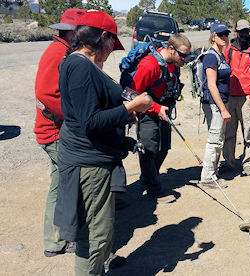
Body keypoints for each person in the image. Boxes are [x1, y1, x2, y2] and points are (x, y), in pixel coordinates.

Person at [54, 10, 152, 275]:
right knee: (96, 235)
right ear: (103, 38)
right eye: (112, 44)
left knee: (98, 232)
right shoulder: (80, 66)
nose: (112, 51)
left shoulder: (79, 64)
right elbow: (90, 122)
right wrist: (133, 105)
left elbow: (91, 111)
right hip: (89, 163)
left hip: (92, 158)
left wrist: (123, 112)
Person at [33, 8, 86, 257]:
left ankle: (55, 240)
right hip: (54, 132)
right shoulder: (57, 53)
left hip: (57, 129)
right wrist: (75, 116)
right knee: (64, 185)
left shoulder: (64, 51)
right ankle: (58, 240)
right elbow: (46, 94)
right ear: (73, 32)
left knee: (60, 184)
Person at [129, 33, 191, 197]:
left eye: (187, 55)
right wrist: (155, 108)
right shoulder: (150, 65)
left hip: (165, 112)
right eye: (182, 55)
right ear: (171, 49)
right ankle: (153, 187)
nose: (185, 59)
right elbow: (131, 94)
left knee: (163, 149)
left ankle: (148, 178)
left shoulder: (173, 63)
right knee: (149, 151)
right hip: (148, 112)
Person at [222, 19, 250, 176]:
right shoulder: (229, 50)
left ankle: (248, 163)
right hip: (230, 97)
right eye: (241, 31)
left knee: (248, 133)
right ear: (236, 32)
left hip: (247, 98)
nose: (244, 34)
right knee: (228, 132)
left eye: (246, 31)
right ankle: (229, 162)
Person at [199, 23, 232, 188]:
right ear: (213, 36)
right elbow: (212, 85)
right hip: (215, 104)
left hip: (221, 102)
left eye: (226, 34)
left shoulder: (221, 55)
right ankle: (207, 178)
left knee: (218, 139)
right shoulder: (211, 56)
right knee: (214, 140)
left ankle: (212, 172)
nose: (225, 37)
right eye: (221, 34)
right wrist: (223, 108)